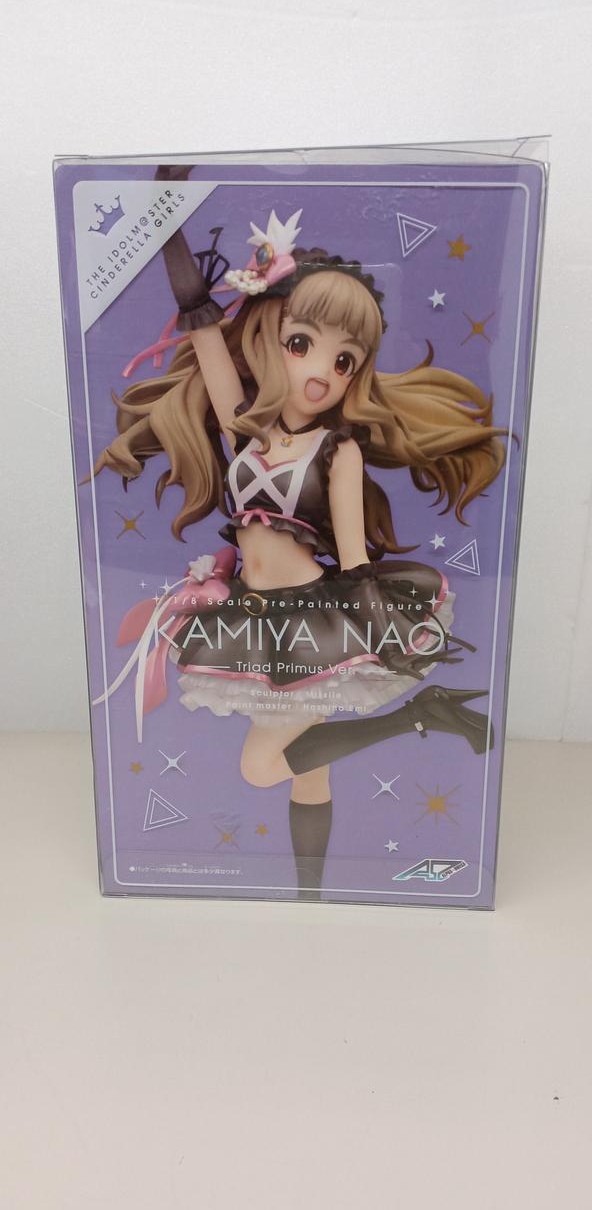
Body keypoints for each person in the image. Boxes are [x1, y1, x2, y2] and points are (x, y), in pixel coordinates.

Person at [93, 166, 507, 899]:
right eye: (301, 343)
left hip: (313, 620)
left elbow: (353, 559)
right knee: (307, 775)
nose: (321, 372)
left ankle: (418, 716)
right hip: (253, 618)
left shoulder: (339, 451)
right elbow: (198, 319)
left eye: (343, 360)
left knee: (261, 766)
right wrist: (165, 216)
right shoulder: (243, 430)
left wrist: (383, 633)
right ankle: (310, 895)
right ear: (267, 338)